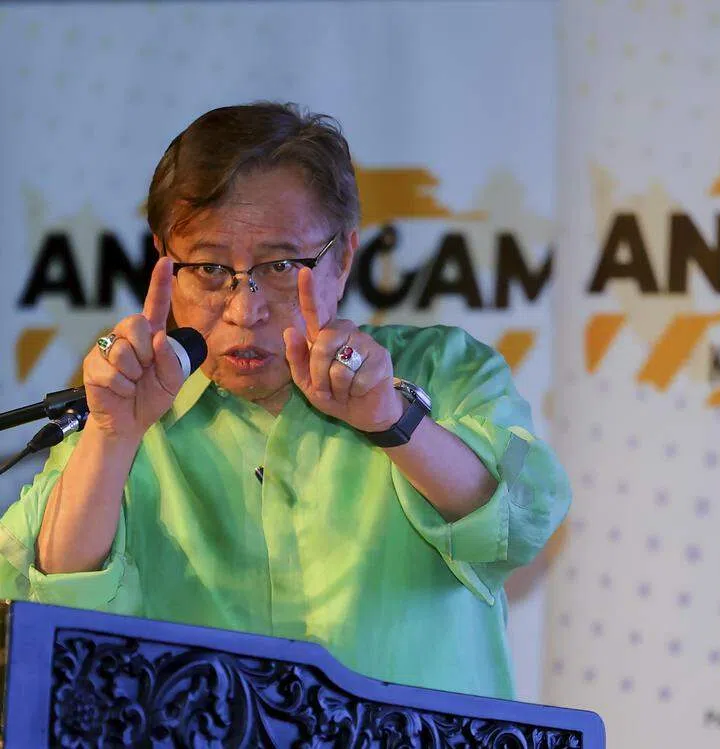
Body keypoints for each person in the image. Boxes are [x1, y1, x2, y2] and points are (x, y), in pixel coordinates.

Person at [0, 102, 571, 700]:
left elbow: (517, 529)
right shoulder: (129, 401)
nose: (244, 309)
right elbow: (52, 618)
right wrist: (112, 437)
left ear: (343, 258)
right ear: (165, 263)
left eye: (279, 265)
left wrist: (391, 419)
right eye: (209, 268)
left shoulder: (445, 369)